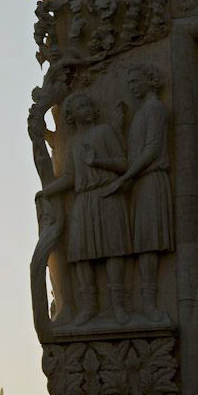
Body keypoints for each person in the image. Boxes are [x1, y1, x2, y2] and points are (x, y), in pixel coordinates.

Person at [37, 92, 131, 325]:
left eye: (89, 103)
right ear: (72, 115)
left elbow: (123, 164)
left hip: (108, 195)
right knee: (80, 254)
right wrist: (48, 191)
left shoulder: (105, 132)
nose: (87, 107)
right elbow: (70, 176)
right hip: (84, 200)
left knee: (113, 250)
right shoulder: (72, 144)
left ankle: (118, 306)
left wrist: (97, 161)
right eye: (81, 105)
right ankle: (89, 306)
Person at [97, 63, 173, 322]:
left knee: (149, 242)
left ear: (149, 81)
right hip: (138, 183)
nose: (132, 86)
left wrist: (124, 179)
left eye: (135, 80)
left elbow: (151, 150)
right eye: (129, 82)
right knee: (141, 243)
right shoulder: (141, 112)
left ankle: (149, 304)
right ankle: (140, 303)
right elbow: (131, 156)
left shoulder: (155, 109)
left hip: (150, 181)